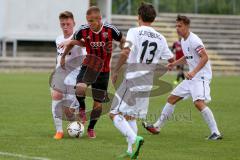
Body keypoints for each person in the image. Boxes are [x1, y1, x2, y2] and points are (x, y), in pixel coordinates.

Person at [109, 3, 174, 159]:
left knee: (114, 113)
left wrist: (115, 70)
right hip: (147, 82)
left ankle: (134, 139)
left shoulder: (134, 31)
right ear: (153, 18)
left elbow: (126, 51)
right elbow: (171, 59)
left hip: (132, 79)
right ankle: (131, 151)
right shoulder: (161, 37)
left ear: (139, 16)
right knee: (130, 116)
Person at [142, 15, 222, 140]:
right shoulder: (183, 41)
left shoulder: (194, 40)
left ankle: (215, 132)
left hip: (201, 77)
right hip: (192, 78)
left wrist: (194, 72)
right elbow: (188, 57)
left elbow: (205, 57)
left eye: (180, 26)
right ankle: (157, 127)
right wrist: (174, 63)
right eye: (176, 26)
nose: (177, 28)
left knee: (198, 103)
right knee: (171, 98)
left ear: (187, 26)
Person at [60, 6, 125, 138]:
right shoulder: (84, 30)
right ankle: (82, 108)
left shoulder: (110, 30)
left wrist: (124, 49)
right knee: (79, 88)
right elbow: (73, 41)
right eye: (88, 21)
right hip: (89, 66)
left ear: (99, 19)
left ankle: (90, 128)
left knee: (97, 105)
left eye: (92, 21)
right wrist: (63, 56)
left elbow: (122, 40)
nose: (89, 24)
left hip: (104, 71)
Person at [50, 11, 86, 140]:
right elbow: (59, 57)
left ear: (73, 24)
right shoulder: (58, 38)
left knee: (69, 112)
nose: (65, 26)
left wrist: (70, 42)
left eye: (68, 24)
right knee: (56, 95)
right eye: (62, 24)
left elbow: (84, 44)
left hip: (74, 75)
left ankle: (78, 123)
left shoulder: (78, 37)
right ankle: (59, 131)